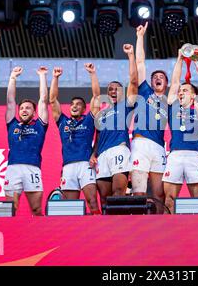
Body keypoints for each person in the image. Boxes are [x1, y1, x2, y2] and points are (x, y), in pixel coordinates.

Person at [162, 48, 198, 214]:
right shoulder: (173, 105)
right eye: (180, 91)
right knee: (169, 200)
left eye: (185, 90)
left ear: (194, 95)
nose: (181, 92)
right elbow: (175, 82)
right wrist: (179, 59)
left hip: (194, 155)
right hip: (174, 155)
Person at [89, 44, 138, 208]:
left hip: (119, 149)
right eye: (110, 89)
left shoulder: (125, 105)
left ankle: (120, 229)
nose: (112, 91)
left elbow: (133, 80)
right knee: (104, 199)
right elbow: (95, 96)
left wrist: (131, 55)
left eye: (116, 88)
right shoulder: (101, 113)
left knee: (118, 193)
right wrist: (93, 74)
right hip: (102, 155)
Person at [49, 65, 100, 214]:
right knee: (71, 207)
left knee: (92, 202)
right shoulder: (62, 121)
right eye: (72, 104)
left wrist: (92, 74)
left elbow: (97, 97)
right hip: (68, 167)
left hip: (85, 165)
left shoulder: (89, 120)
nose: (74, 106)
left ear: (84, 109)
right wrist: (55, 77)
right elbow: (52, 100)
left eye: (78, 104)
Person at [129, 22, 169, 213]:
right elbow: (140, 64)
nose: (157, 78)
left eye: (161, 77)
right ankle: (138, 223)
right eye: (155, 77)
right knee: (138, 191)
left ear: (166, 83)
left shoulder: (170, 102)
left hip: (159, 147)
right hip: (141, 143)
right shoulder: (144, 91)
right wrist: (140, 37)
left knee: (159, 193)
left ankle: (159, 223)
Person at [4, 66, 49, 216]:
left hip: (32, 168)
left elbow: (43, 100)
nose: (24, 110)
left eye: (28, 108)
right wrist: (12, 77)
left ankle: (38, 238)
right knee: (11, 209)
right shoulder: (12, 123)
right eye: (22, 108)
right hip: (13, 169)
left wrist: (42, 76)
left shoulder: (40, 125)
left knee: (36, 210)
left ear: (34, 112)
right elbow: (10, 101)